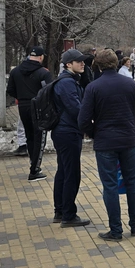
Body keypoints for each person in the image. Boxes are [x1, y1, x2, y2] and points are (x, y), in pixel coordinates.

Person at [77, 49, 135, 241]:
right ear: (116, 63)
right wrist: (132, 134)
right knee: (132, 182)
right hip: (128, 140)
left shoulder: (93, 87)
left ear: (98, 66)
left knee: (109, 186)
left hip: (105, 142)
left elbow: (83, 120)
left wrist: (95, 134)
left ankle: (115, 230)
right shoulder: (130, 84)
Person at [52, 49, 90, 227]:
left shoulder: (67, 81)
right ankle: (68, 214)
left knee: (64, 171)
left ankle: (60, 211)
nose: (82, 64)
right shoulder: (67, 83)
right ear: (68, 64)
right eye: (78, 61)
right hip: (68, 132)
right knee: (71, 174)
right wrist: (89, 123)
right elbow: (76, 109)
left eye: (83, 61)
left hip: (64, 131)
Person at [6, 45, 53, 181]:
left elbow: (10, 90)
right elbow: (48, 91)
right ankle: (35, 170)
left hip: (23, 106)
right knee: (40, 138)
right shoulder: (43, 73)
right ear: (41, 57)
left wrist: (21, 97)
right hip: (38, 107)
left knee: (30, 136)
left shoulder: (16, 71)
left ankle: (34, 163)